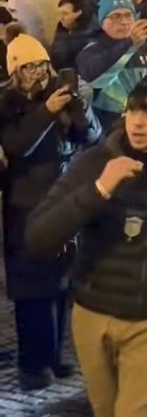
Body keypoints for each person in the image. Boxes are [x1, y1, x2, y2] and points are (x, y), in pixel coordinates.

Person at [25, 75, 147, 417]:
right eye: (133, 110)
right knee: (106, 410)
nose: (138, 122)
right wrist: (99, 189)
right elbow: (38, 236)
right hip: (93, 315)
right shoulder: (93, 163)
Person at [0, 34, 101, 389]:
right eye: (29, 67)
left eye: (42, 65)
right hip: (24, 205)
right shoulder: (7, 103)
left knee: (60, 284)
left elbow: (91, 138)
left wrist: (81, 109)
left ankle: (54, 357)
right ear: (15, 70)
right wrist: (46, 112)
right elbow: (16, 145)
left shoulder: (59, 94)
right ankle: (31, 366)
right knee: (31, 290)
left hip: (61, 200)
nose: (38, 73)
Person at [76, 0, 147, 132]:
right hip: (108, 129)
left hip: (145, 124)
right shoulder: (91, 50)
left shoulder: (145, 48)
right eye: (116, 16)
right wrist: (128, 44)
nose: (124, 22)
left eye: (128, 15)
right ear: (103, 23)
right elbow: (94, 77)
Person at [50, 0, 98, 71]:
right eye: (60, 14)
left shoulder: (91, 33)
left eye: (65, 14)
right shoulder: (61, 28)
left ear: (78, 13)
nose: (61, 18)